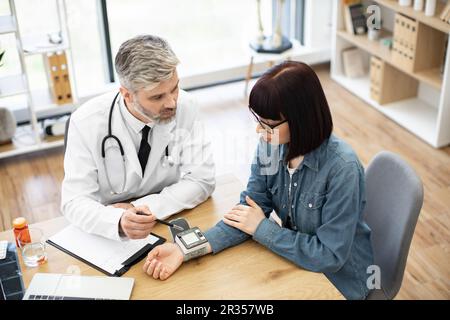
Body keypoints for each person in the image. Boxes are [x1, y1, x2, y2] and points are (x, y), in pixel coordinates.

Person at [142, 61, 374, 300]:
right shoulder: (271, 145)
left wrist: (262, 228)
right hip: (299, 264)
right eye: (258, 120)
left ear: (300, 120)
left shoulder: (342, 169)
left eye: (268, 124)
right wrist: (184, 249)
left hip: (341, 282)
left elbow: (329, 256)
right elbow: (248, 212)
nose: (259, 131)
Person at [61, 35, 215, 241]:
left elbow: (202, 180)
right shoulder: (86, 122)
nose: (172, 103)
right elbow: (74, 201)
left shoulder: (187, 106)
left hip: (165, 220)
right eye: (157, 97)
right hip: (110, 232)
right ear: (127, 95)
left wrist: (139, 208)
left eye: (175, 88)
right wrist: (117, 220)